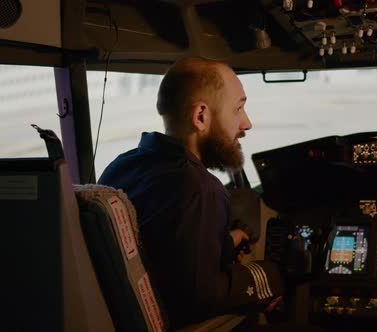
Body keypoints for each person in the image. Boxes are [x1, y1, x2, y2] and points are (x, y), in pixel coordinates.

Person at [98, 56, 281, 328]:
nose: (246, 123)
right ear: (201, 116)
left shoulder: (124, 164)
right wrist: (271, 277)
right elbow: (200, 299)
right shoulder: (199, 188)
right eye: (238, 109)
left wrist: (232, 239)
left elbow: (165, 250)